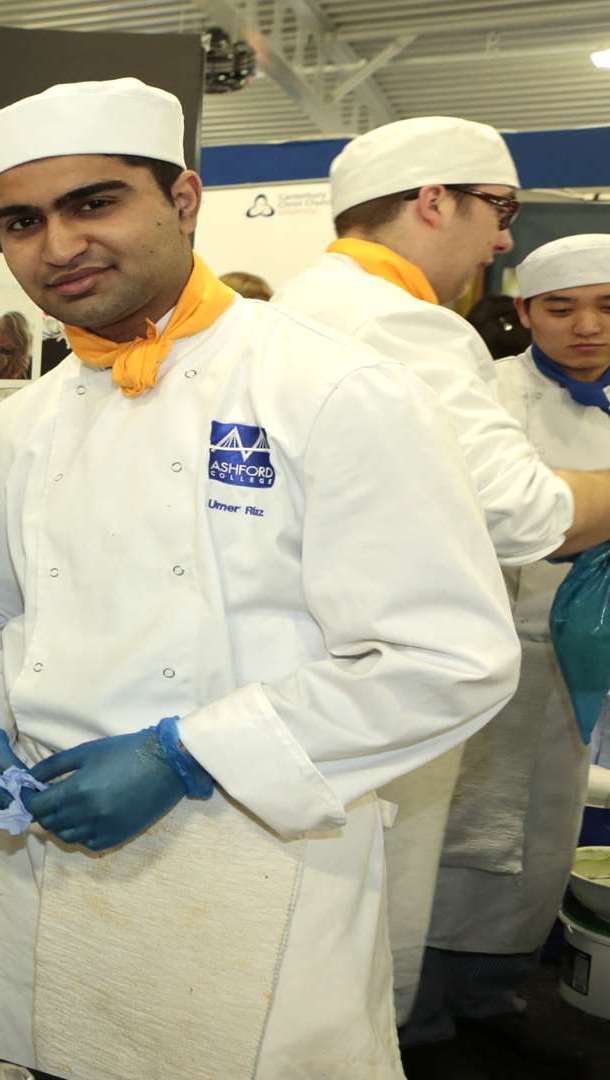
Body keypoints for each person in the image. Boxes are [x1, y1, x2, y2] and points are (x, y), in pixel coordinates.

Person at [0, 78, 519, 1079]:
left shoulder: (333, 387)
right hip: (34, 872)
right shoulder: (21, 425)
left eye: (94, 203)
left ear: (184, 200)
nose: (58, 246)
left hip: (254, 860)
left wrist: (184, 756)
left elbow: (450, 658)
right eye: (24, 221)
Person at [273, 117, 610, 1033]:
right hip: (370, 682)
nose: (503, 238)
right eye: (497, 209)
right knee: (355, 952)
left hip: (312, 677)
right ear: (433, 201)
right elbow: (521, 512)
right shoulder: (399, 322)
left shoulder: (302, 303)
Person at [409, 235, 610, 1072]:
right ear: (523, 311)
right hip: (488, 657)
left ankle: (499, 993)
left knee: (542, 843)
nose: (586, 326)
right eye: (560, 307)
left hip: (585, 668)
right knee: (454, 836)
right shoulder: (483, 395)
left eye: (606, 307)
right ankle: (420, 1009)